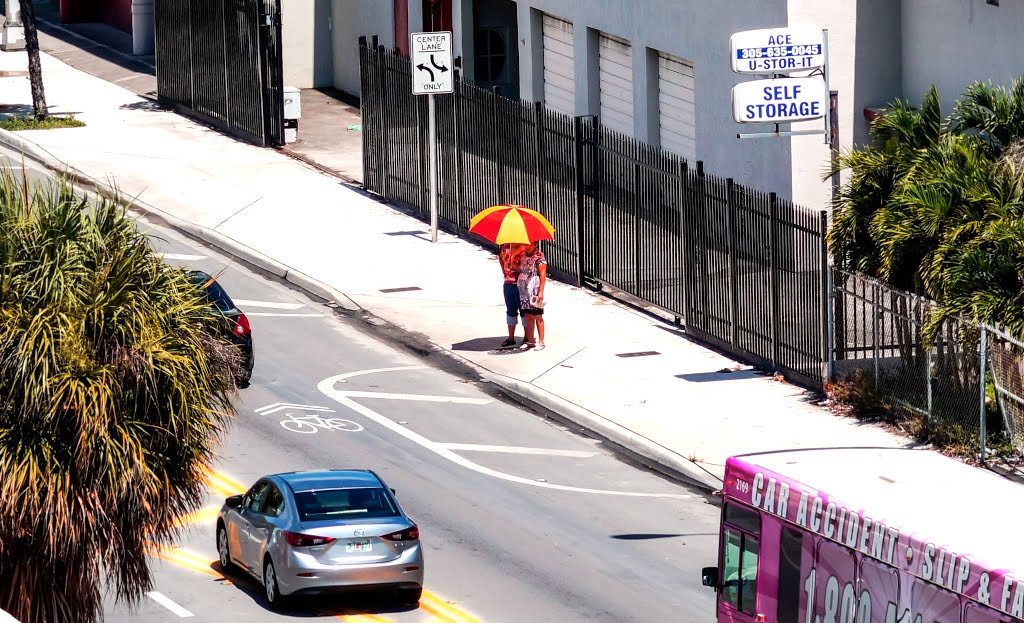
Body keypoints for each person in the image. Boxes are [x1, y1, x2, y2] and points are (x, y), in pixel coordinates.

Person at [517, 242, 547, 351]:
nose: (527, 246)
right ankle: (530, 340)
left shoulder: (539, 258)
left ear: (535, 245)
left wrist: (540, 292)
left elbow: (542, 275)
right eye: (525, 244)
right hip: (524, 290)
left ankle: (541, 341)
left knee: (537, 315)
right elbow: (521, 269)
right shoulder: (524, 256)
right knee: (528, 315)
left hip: (534, 289)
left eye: (529, 244)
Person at [498, 242, 524, 347]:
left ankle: (527, 337)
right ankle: (511, 337)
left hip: (519, 285)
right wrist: (504, 269)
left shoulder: (523, 250)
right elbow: (500, 258)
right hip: (508, 284)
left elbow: (522, 269)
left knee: (523, 311)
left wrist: (512, 262)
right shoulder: (506, 248)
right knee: (510, 311)